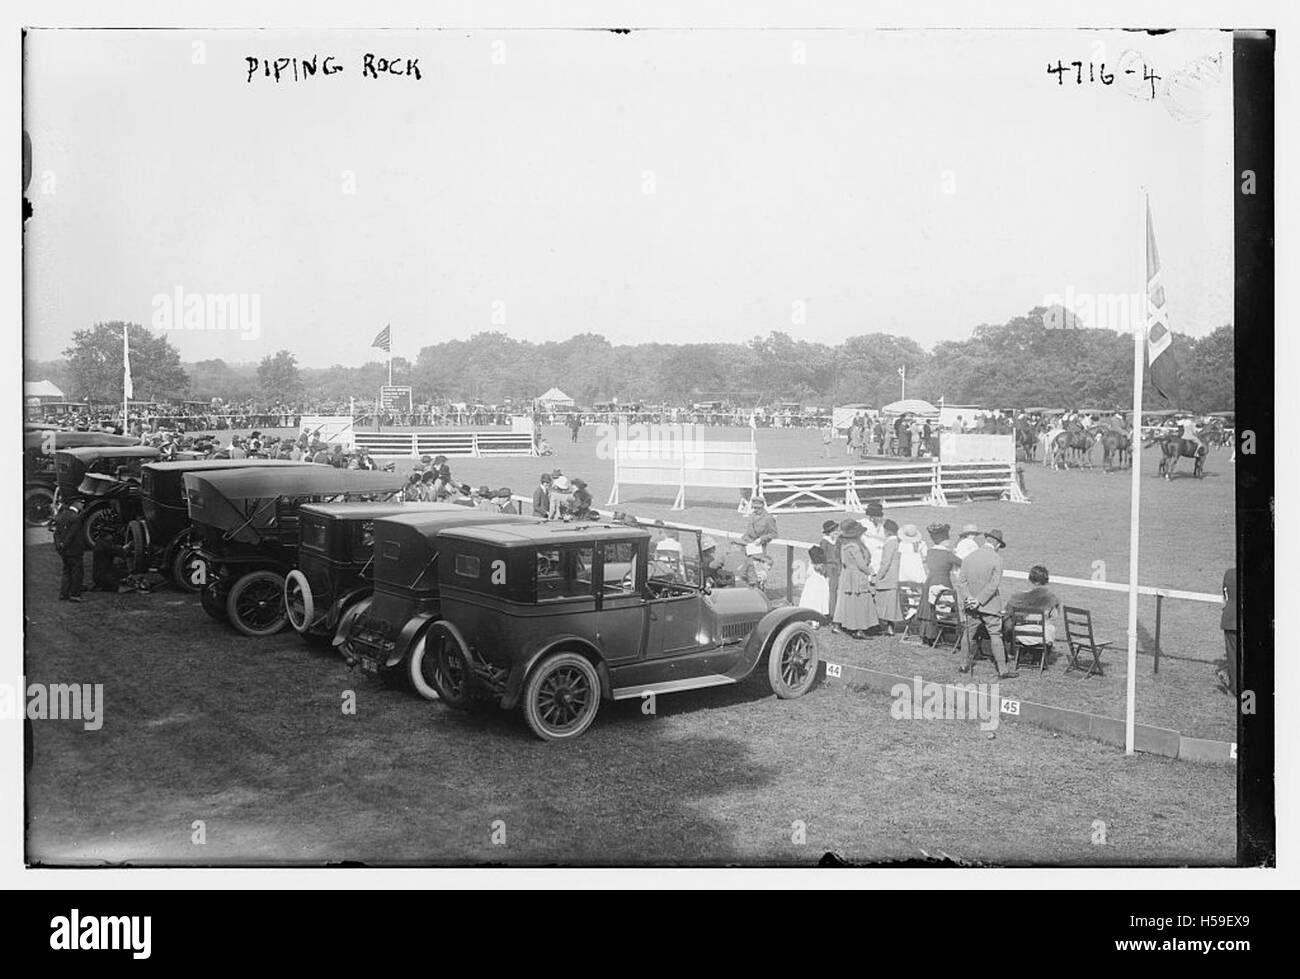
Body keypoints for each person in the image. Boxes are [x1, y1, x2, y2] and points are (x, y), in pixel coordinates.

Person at [956, 528, 1017, 678]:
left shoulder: (969, 557)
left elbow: (961, 582)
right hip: (989, 605)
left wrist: (969, 598)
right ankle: (1002, 669)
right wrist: (979, 600)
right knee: (995, 635)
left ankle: (963, 664)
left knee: (968, 634)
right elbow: (993, 585)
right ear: (996, 544)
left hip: (971, 604)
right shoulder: (997, 559)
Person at [917, 522, 961, 642]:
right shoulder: (947, 554)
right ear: (944, 541)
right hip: (943, 581)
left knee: (929, 607)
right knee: (943, 605)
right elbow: (962, 563)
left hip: (930, 581)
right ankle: (942, 633)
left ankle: (927, 634)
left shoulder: (930, 552)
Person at [833, 519, 878, 638]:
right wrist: (871, 572)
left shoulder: (844, 545)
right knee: (860, 601)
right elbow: (861, 564)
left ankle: (849, 624)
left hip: (847, 574)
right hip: (857, 575)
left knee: (850, 601)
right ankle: (859, 628)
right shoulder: (854, 546)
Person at [1003, 564, 1061, 647]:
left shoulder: (1017, 597)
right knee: (1050, 627)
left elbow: (1007, 613)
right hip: (1042, 635)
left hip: (1020, 634)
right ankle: (1040, 656)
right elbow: (1054, 617)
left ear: (1030, 579)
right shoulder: (1052, 599)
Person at [53, 501, 87, 602]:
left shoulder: (61, 516)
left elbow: (56, 533)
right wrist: (65, 543)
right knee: (77, 572)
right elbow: (72, 534)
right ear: (75, 504)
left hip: (64, 550)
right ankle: (74, 594)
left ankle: (64, 593)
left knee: (66, 571)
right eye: (81, 503)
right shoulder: (76, 518)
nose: (82, 505)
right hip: (74, 549)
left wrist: (60, 545)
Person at [874, 519, 902, 634]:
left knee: (882, 601)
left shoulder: (890, 543)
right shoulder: (898, 542)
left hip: (888, 577)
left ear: (887, 531)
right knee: (892, 603)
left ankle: (885, 625)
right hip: (895, 576)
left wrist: (878, 576)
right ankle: (890, 626)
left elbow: (886, 563)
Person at [1219, 566, 1238, 696]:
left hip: (1230, 619)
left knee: (1233, 656)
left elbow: (1225, 596)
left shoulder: (1229, 573)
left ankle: (1235, 688)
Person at [819, 519, 841, 622]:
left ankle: (836, 611)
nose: (836, 532)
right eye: (834, 531)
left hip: (838, 568)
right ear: (829, 532)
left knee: (837, 590)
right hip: (830, 568)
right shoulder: (825, 542)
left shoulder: (837, 541)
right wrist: (824, 570)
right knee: (832, 591)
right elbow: (822, 557)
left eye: (837, 530)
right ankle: (832, 614)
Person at [799, 544, 830, 615]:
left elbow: (807, 575)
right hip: (821, 586)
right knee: (819, 599)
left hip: (812, 586)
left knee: (811, 599)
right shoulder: (823, 566)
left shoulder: (811, 566)